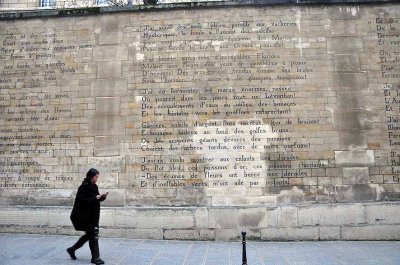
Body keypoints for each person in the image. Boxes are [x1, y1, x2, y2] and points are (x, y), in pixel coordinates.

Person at [67, 168, 108, 265]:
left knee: (89, 235)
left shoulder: (94, 186)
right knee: (93, 235)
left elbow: (95, 199)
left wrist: (102, 197)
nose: (97, 179)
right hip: (84, 217)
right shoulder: (83, 187)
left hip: (92, 216)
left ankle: (72, 249)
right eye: (96, 177)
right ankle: (95, 258)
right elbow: (81, 201)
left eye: (97, 177)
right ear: (91, 177)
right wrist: (95, 198)